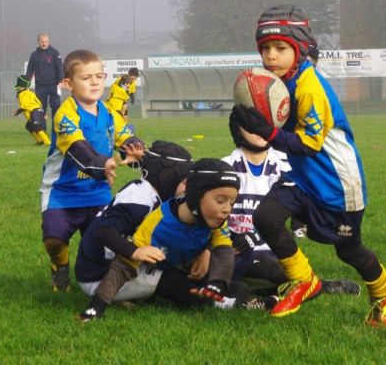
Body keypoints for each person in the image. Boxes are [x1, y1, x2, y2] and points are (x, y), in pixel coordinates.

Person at [232, 4, 386, 327]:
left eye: (280, 48)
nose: (271, 56)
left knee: (349, 250)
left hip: (337, 184)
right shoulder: (279, 81)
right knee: (266, 217)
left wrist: (267, 132)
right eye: (265, 48)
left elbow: (308, 145)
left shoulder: (309, 87)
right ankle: (304, 280)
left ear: (299, 50)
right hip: (302, 178)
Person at [223, 113, 361, 310]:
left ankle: (292, 288)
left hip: (274, 253)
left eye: (265, 123)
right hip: (235, 252)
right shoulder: (225, 167)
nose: (259, 129)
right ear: (237, 129)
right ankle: (318, 286)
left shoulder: (286, 166)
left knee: (274, 264)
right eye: (251, 124)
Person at [77, 158, 242, 321]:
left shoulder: (214, 218)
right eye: (221, 201)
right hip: (99, 275)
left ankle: (249, 298)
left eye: (232, 202)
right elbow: (120, 261)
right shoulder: (153, 219)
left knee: (242, 274)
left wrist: (214, 272)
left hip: (174, 263)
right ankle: (229, 303)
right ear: (196, 194)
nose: (227, 209)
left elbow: (224, 251)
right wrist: (96, 307)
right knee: (190, 292)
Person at [39, 49, 144, 293]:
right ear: (67, 84)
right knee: (54, 240)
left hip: (98, 193)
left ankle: (109, 289)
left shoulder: (110, 114)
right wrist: (102, 163)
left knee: (105, 247)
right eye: (86, 78)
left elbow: (126, 136)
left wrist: (138, 151)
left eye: (99, 76)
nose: (95, 82)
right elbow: (77, 148)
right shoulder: (65, 114)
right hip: (62, 193)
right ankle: (60, 263)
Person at [75, 140, 193, 297]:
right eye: (185, 182)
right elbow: (103, 231)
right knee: (187, 288)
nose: (188, 188)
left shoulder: (150, 189)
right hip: (99, 276)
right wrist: (135, 251)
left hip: (107, 265)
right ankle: (227, 301)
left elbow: (155, 167)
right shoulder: (140, 201)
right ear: (168, 176)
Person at [25, 33, 64, 117]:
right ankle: (42, 129)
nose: (44, 43)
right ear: (38, 42)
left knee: (56, 106)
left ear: (48, 41)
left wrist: (61, 81)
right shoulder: (34, 55)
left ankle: (55, 129)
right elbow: (30, 70)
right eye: (42, 42)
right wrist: (26, 83)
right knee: (40, 108)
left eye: (46, 42)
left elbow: (60, 67)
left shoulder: (55, 53)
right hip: (40, 86)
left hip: (54, 85)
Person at [11, 75, 51, 145]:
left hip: (34, 112)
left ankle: (48, 142)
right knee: (29, 126)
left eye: (19, 87)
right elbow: (38, 103)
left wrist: (17, 112)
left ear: (24, 87)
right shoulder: (30, 93)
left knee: (36, 127)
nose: (18, 89)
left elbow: (24, 106)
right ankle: (39, 141)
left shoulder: (23, 94)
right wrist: (43, 113)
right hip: (38, 111)